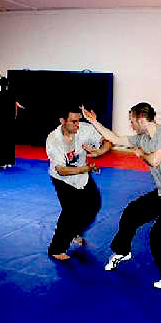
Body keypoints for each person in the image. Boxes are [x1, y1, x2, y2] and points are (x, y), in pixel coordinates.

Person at [81, 102, 161, 289]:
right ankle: (122, 251)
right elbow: (115, 138)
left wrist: (141, 154)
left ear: (141, 119)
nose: (131, 125)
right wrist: (94, 121)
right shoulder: (141, 138)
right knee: (131, 213)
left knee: (159, 235)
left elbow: (155, 159)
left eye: (132, 120)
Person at [46, 107, 112, 260]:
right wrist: (87, 167)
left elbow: (107, 141)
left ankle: (76, 231)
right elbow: (62, 170)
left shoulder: (84, 130)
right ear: (62, 121)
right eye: (73, 121)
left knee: (94, 204)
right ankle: (56, 249)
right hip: (62, 179)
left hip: (82, 176)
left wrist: (98, 152)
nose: (77, 125)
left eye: (78, 121)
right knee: (71, 211)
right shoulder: (54, 139)